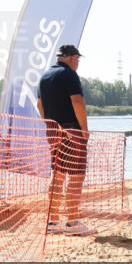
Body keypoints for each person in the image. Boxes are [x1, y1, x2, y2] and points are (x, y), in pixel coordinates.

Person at [37, 44, 93, 236]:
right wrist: (84, 129)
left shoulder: (45, 76)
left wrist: (49, 124)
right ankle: (72, 222)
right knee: (76, 176)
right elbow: (77, 101)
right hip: (71, 130)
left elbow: (40, 104)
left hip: (53, 130)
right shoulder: (69, 75)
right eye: (77, 59)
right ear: (71, 58)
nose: (78, 63)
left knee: (58, 174)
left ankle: (52, 223)